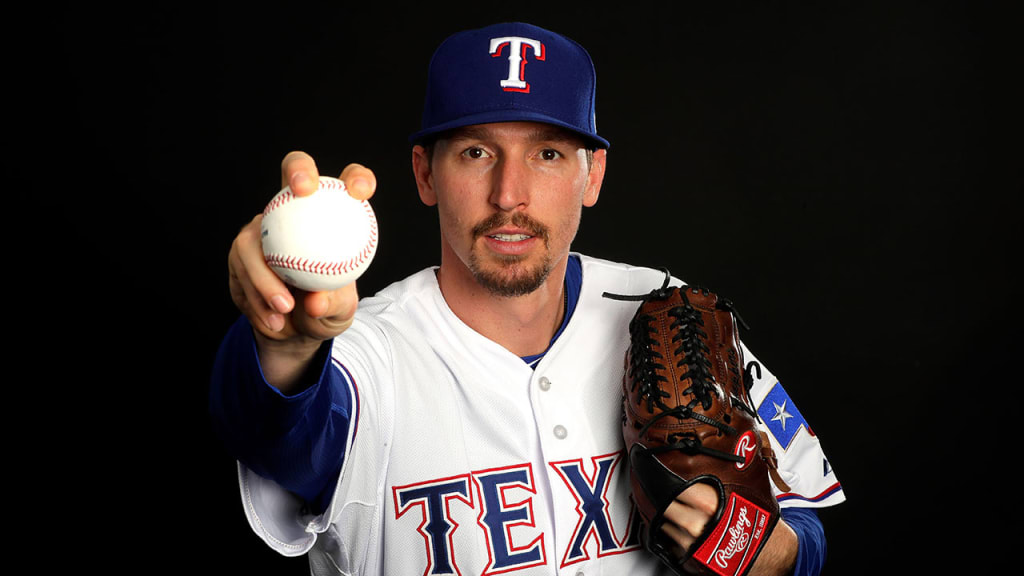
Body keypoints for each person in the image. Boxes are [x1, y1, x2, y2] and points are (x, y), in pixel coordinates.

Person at [210, 22, 844, 576]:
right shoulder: (363, 358)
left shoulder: (668, 313)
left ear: (591, 175)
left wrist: (763, 550)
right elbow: (273, 429)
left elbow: (805, 519)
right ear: (426, 174)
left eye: (546, 153)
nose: (509, 193)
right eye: (476, 152)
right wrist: (281, 341)